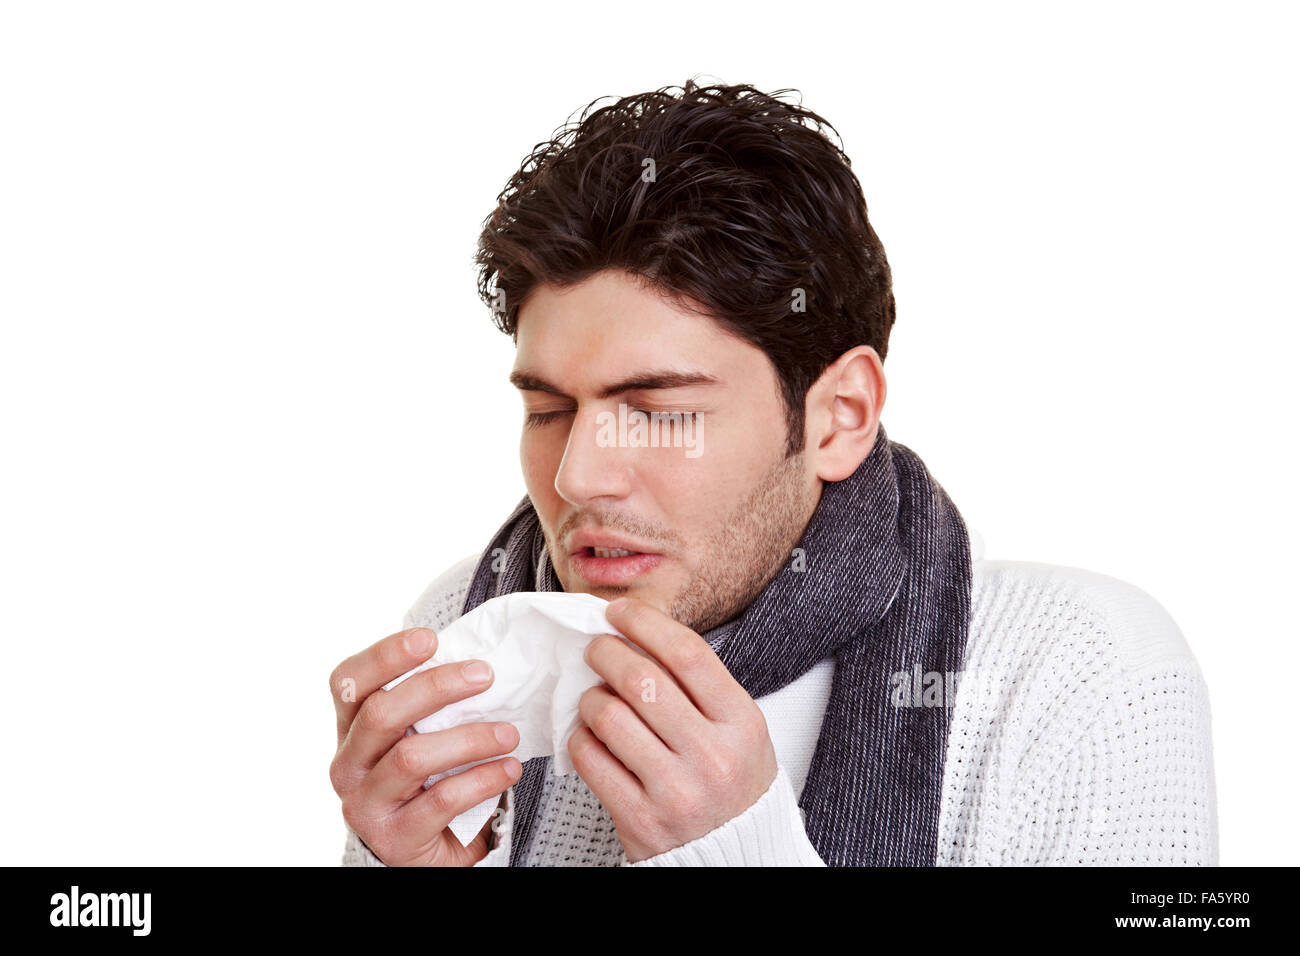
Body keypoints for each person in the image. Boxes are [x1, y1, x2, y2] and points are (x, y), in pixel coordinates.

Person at [329, 81, 1217, 867]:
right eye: (549, 410)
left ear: (839, 418)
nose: (577, 478)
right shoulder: (471, 635)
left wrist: (734, 849)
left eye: (660, 409)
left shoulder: (1078, 673)